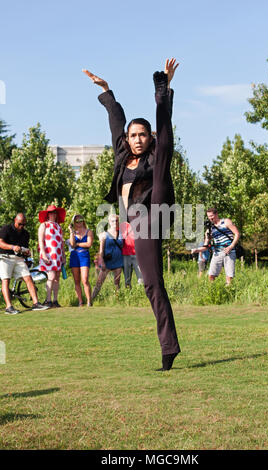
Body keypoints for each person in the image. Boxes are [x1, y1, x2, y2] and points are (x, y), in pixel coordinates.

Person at [83, 58, 181, 371]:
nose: (137, 139)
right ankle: (170, 346)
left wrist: (163, 88)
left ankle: (169, 348)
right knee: (152, 284)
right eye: (133, 135)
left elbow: (164, 128)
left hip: (153, 216)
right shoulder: (123, 158)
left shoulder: (157, 157)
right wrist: (107, 92)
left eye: (142, 135)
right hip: (135, 225)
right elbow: (116, 123)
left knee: (152, 284)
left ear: (149, 137)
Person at [0, 213, 49, 314]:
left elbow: (24, 248)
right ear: (15, 220)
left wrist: (26, 254)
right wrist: (12, 247)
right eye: (20, 224)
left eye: (24, 225)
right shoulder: (6, 228)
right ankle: (9, 307)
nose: (21, 226)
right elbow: (1, 243)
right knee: (6, 280)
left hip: (19, 259)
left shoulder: (25, 234)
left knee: (28, 278)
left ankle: (36, 303)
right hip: (5, 257)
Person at [38, 204, 66, 307]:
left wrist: (63, 256)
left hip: (58, 255)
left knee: (57, 277)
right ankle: (48, 300)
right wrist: (43, 253)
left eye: (54, 213)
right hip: (49, 254)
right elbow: (40, 240)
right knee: (51, 276)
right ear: (47, 214)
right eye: (50, 213)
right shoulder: (44, 225)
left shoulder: (58, 226)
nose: (52, 215)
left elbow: (61, 242)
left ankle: (55, 300)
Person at [205, 208, 240, 285]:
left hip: (229, 251)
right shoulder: (210, 228)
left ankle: (229, 292)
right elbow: (206, 243)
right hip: (217, 252)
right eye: (208, 216)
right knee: (211, 275)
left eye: (212, 216)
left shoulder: (226, 222)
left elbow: (237, 234)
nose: (210, 218)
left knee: (229, 276)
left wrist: (231, 246)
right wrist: (208, 238)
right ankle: (212, 291)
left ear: (216, 214)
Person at [92, 214, 123, 300]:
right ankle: (90, 300)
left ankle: (117, 301)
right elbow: (101, 251)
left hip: (118, 261)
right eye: (112, 221)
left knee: (117, 283)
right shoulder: (104, 234)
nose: (115, 223)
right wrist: (101, 262)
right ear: (109, 222)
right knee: (99, 282)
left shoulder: (121, 234)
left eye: (116, 221)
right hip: (107, 262)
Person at [68, 214, 94, 307]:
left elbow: (89, 244)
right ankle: (80, 302)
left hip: (84, 255)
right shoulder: (73, 232)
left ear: (84, 221)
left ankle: (89, 301)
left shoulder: (89, 231)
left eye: (81, 220)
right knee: (76, 280)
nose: (79, 222)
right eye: (77, 221)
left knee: (85, 279)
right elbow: (72, 244)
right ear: (74, 222)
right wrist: (71, 232)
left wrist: (78, 244)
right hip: (74, 256)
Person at [120, 221, 143, 288]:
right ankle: (128, 293)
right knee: (127, 278)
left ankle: (139, 294)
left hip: (137, 254)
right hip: (125, 254)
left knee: (141, 277)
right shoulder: (122, 225)